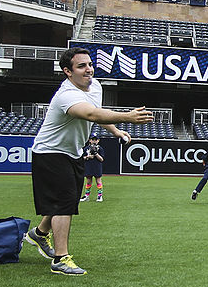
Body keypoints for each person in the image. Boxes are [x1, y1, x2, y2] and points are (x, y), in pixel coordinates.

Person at [24, 47, 152, 275]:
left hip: (73, 151)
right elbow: (91, 115)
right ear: (67, 71)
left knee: (68, 199)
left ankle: (40, 234)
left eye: (90, 64)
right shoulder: (67, 95)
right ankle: (60, 259)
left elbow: (97, 112)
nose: (88, 69)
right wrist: (127, 117)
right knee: (64, 202)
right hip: (50, 152)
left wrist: (115, 131)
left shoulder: (95, 86)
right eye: (81, 66)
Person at [79, 134, 105, 202]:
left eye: (95, 140)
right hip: (89, 166)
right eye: (92, 139)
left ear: (98, 141)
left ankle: (100, 196)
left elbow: (102, 159)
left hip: (97, 166)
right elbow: (82, 158)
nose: (94, 141)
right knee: (88, 181)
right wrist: (88, 157)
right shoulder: (86, 148)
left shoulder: (100, 148)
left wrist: (96, 154)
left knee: (98, 180)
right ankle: (86, 195)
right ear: (89, 140)